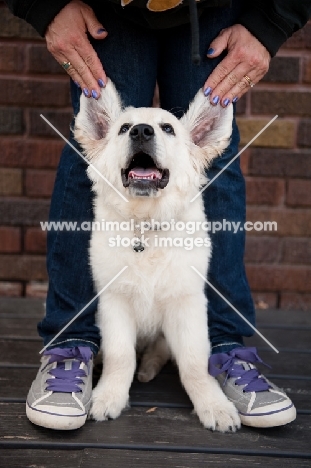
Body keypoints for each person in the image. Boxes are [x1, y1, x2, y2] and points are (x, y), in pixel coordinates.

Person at [5, 0, 311, 431]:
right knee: (89, 157)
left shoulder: (196, 147)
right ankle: (70, 344)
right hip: (105, 9)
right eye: (134, 130)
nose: (144, 133)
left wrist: (272, 21)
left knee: (215, 170)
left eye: (164, 130)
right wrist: (46, 5)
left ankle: (222, 350)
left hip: (215, 9)